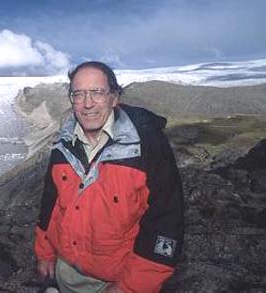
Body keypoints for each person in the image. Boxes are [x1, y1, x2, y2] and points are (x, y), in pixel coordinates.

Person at [34, 61, 184, 293]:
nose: (87, 104)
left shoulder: (147, 147)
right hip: (66, 274)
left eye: (97, 92)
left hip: (117, 281)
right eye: (79, 94)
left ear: (114, 98)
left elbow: (165, 221)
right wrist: (44, 253)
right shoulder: (63, 144)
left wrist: (128, 288)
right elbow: (51, 202)